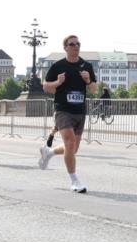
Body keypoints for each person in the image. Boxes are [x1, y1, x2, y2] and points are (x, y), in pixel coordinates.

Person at [38, 35, 97, 193]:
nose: (76, 46)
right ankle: (75, 181)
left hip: (80, 111)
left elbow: (94, 89)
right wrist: (57, 83)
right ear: (65, 47)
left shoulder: (86, 66)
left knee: (73, 149)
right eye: (72, 44)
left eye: (78, 44)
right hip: (63, 109)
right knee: (70, 143)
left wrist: (88, 81)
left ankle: (49, 152)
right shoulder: (58, 66)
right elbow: (45, 87)